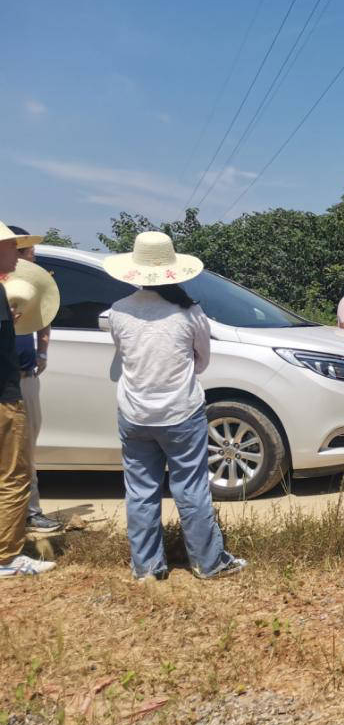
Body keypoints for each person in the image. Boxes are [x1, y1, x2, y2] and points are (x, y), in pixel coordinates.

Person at [103, 232, 246, 581]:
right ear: (174, 270)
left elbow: (124, 357)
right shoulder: (189, 312)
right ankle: (208, 562)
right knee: (191, 487)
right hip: (181, 413)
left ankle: (147, 567)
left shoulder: (117, 312)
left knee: (140, 491)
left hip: (134, 414)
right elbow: (201, 361)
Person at [0, 221, 57, 577]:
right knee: (13, 475)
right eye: (12, 247)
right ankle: (6, 556)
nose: (18, 255)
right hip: (4, 397)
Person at [9, 230, 63, 534]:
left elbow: (45, 314)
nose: (34, 257)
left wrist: (42, 350)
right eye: (29, 252)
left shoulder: (29, 286)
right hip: (8, 379)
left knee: (26, 448)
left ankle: (29, 512)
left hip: (24, 377)